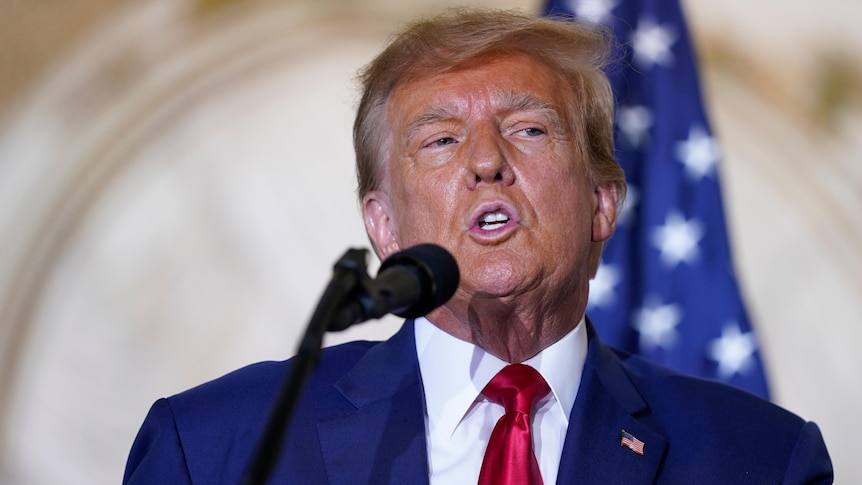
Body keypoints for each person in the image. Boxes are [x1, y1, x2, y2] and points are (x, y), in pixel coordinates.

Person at [123, 9, 833, 484]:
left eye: (529, 129)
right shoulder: (216, 447)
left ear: (600, 203)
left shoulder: (759, 458)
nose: (486, 161)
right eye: (440, 139)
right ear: (383, 225)